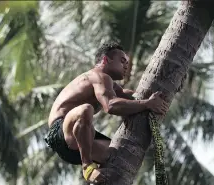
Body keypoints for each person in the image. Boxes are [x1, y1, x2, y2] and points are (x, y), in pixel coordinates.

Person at [44, 42, 169, 184]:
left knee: (118, 156)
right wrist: (147, 104)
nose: (126, 65)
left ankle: (97, 176)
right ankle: (87, 167)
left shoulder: (110, 84)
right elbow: (111, 106)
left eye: (127, 62)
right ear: (105, 60)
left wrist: (160, 94)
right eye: (122, 61)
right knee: (86, 109)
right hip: (61, 131)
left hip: (78, 144)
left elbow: (129, 95)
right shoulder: (98, 76)